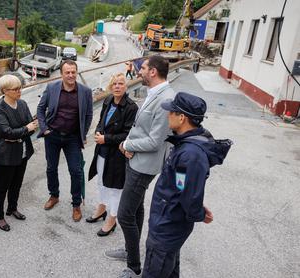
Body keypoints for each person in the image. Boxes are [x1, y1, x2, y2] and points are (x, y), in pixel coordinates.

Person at [143, 92, 232, 277]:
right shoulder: (186, 145)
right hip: (169, 220)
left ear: (182, 117)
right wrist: (195, 206)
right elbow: (183, 187)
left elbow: (188, 195)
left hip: (167, 226)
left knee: (156, 270)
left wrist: (197, 211)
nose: (168, 115)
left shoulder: (190, 154)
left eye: (171, 112)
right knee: (169, 268)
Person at [105, 55, 175, 278]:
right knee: (136, 208)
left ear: (153, 71)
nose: (139, 71)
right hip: (135, 159)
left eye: (143, 68)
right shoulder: (155, 93)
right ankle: (129, 250)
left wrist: (126, 143)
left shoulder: (166, 98)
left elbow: (155, 141)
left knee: (125, 214)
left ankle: (134, 266)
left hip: (144, 165)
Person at [37, 60, 93, 222]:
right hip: (52, 135)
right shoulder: (52, 88)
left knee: (76, 171)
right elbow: (41, 109)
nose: (70, 75)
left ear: (76, 72)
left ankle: (76, 204)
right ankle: (54, 195)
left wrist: (83, 134)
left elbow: (88, 115)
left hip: (73, 138)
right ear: (61, 74)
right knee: (51, 168)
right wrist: (44, 128)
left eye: (73, 72)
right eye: (67, 72)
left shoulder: (85, 91)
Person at [86, 73, 138, 237]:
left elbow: (129, 135)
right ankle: (101, 208)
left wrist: (105, 138)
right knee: (101, 182)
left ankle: (112, 218)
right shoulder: (108, 100)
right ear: (110, 86)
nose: (117, 86)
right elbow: (101, 121)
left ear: (126, 86)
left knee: (115, 188)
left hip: (117, 154)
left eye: (120, 83)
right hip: (102, 151)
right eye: (114, 83)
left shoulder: (131, 107)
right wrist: (97, 132)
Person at [0, 74, 37, 232]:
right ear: (5, 91)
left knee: (16, 184)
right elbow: (6, 132)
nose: (19, 91)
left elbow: (31, 127)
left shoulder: (22, 104)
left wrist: (23, 131)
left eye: (20, 87)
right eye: (15, 89)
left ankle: (12, 208)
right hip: (4, 155)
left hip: (22, 151)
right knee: (2, 187)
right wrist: (25, 129)